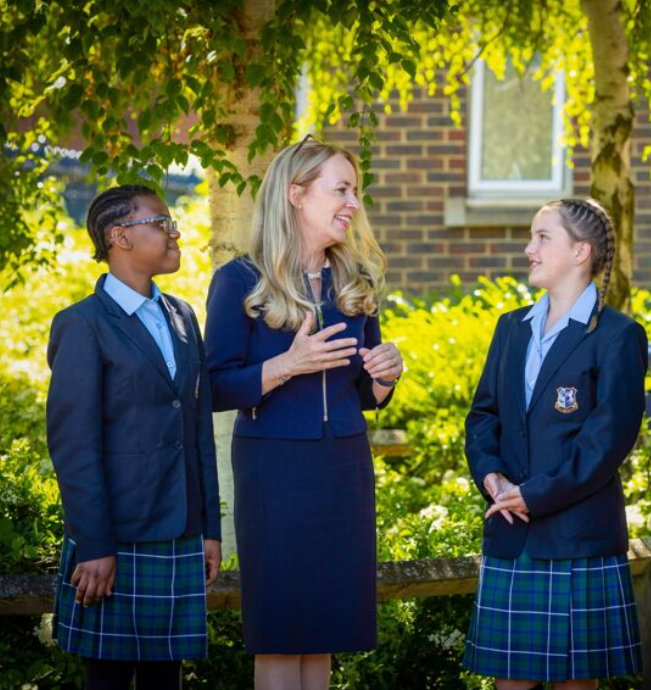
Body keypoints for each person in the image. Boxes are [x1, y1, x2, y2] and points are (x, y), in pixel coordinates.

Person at [204, 135, 403, 690]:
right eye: (341, 190)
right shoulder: (240, 280)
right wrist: (287, 365)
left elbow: (364, 392)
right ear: (296, 194)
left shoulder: (355, 281)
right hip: (274, 470)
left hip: (344, 466)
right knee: (281, 628)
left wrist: (386, 374)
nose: (353, 203)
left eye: (355, 191)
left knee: (323, 628)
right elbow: (213, 387)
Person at [463, 198, 648, 690]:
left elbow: (606, 445)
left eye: (543, 237)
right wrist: (491, 477)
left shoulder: (619, 336)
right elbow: (483, 416)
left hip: (577, 539)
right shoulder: (511, 327)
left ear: (580, 251)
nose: (530, 248)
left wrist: (533, 495)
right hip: (510, 534)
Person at [47, 185, 222, 690]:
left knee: (167, 679)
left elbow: (198, 431)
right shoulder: (82, 324)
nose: (175, 233)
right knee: (107, 677)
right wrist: (94, 544)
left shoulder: (184, 317)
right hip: (114, 539)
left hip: (181, 532)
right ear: (119, 236)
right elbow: (74, 445)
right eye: (162, 223)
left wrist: (208, 529)